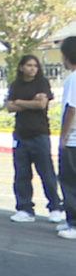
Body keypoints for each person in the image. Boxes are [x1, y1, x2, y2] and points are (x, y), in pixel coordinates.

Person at [5, 54, 63, 223]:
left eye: (35, 66)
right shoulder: (16, 85)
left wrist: (20, 102)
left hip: (39, 133)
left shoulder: (42, 83)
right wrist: (28, 102)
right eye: (29, 65)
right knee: (22, 174)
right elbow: (9, 107)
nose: (32, 68)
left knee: (46, 173)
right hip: (21, 134)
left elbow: (41, 105)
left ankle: (55, 207)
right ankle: (25, 208)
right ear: (22, 67)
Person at [56, 38, 76, 239]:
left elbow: (71, 109)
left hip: (73, 140)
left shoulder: (73, 79)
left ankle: (74, 223)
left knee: (70, 181)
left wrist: (63, 137)